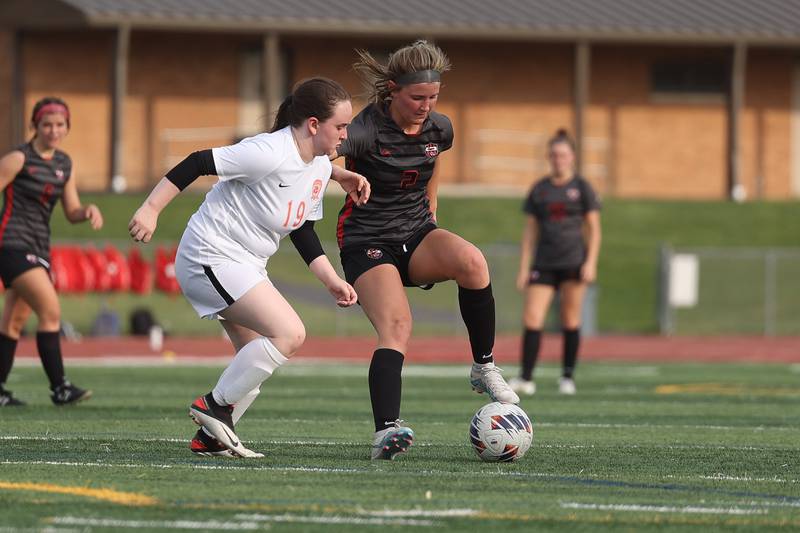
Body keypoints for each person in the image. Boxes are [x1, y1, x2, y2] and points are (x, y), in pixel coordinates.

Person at [128, 77, 369, 458]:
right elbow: (198, 162)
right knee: (290, 333)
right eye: (340, 126)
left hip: (244, 264)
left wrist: (332, 281)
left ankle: (210, 438)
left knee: (254, 354)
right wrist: (151, 209)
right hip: (209, 255)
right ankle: (213, 406)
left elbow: (302, 229)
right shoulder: (268, 151)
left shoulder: (320, 167)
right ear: (312, 124)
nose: (346, 134)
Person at [333, 40, 519, 461]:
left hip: (416, 233)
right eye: (417, 97)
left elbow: (432, 163)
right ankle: (386, 431)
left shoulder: (441, 127)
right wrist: (339, 174)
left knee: (473, 262)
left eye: (433, 97)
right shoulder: (364, 129)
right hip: (367, 240)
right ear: (393, 90)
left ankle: (483, 366)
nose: (425, 106)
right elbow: (316, 154)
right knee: (398, 325)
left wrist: (432, 209)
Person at [0, 96, 103, 406]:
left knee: (13, 322)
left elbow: (71, 210)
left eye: (60, 125)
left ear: (67, 127)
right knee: (50, 311)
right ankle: (60, 387)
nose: (53, 130)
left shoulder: (64, 164)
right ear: (35, 126)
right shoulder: (18, 159)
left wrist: (87, 210)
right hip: (12, 245)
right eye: (47, 124)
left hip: (39, 247)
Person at [509, 129, 602, 396]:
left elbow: (593, 229)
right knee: (532, 318)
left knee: (570, 319)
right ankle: (526, 377)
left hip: (573, 261)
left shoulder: (582, 188)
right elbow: (530, 232)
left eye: (562, 154)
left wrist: (591, 262)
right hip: (544, 262)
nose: (558, 159)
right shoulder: (540, 189)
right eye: (553, 154)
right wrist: (524, 267)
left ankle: (567, 376)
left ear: (571, 157)